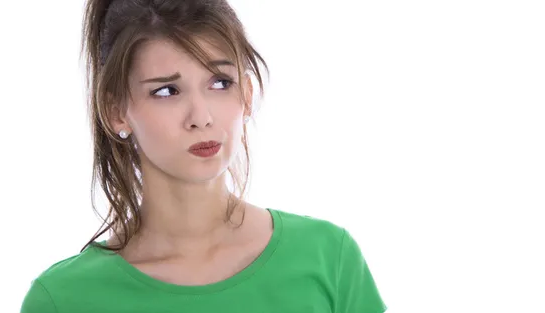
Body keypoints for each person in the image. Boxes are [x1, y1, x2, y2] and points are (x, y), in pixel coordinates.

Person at [20, 0, 387, 312]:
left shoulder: (328, 259)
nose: (201, 117)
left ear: (245, 93)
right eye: (166, 91)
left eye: (219, 83)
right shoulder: (65, 299)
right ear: (116, 110)